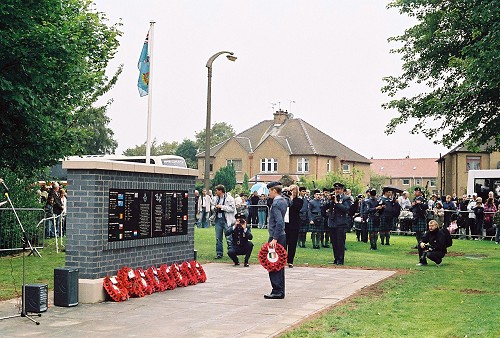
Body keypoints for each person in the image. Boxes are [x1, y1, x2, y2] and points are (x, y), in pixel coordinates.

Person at [264, 181, 287, 300]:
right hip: (281, 236)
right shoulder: (283, 200)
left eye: (269, 191)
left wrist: (274, 238)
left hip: (276, 237)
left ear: (274, 190)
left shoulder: (277, 203)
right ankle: (280, 290)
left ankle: (277, 289)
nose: (269, 193)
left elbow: (279, 222)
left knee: (273, 263)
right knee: (280, 263)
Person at [327, 183, 353, 265]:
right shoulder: (332, 198)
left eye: (339, 189)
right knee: (334, 242)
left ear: (342, 190)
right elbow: (326, 208)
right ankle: (336, 258)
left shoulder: (346, 198)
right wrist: (329, 201)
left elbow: (346, 209)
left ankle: (340, 259)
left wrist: (337, 203)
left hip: (341, 223)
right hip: (333, 222)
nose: (337, 190)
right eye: (336, 189)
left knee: (340, 242)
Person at [212, 184, 235, 259]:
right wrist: (214, 208)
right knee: (218, 238)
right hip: (218, 219)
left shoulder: (230, 198)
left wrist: (222, 207)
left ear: (221, 191)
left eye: (217, 190)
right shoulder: (215, 198)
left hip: (226, 220)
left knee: (229, 237)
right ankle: (219, 253)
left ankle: (231, 253)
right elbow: (212, 206)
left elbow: (232, 209)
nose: (216, 192)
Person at [285, 184, 302, 268]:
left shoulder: (299, 200)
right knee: (284, 242)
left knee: (292, 243)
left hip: (294, 224)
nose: (292, 192)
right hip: (286, 224)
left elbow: (295, 207)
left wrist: (291, 198)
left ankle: (290, 260)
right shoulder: (285, 199)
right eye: (291, 190)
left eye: (294, 190)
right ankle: (283, 259)